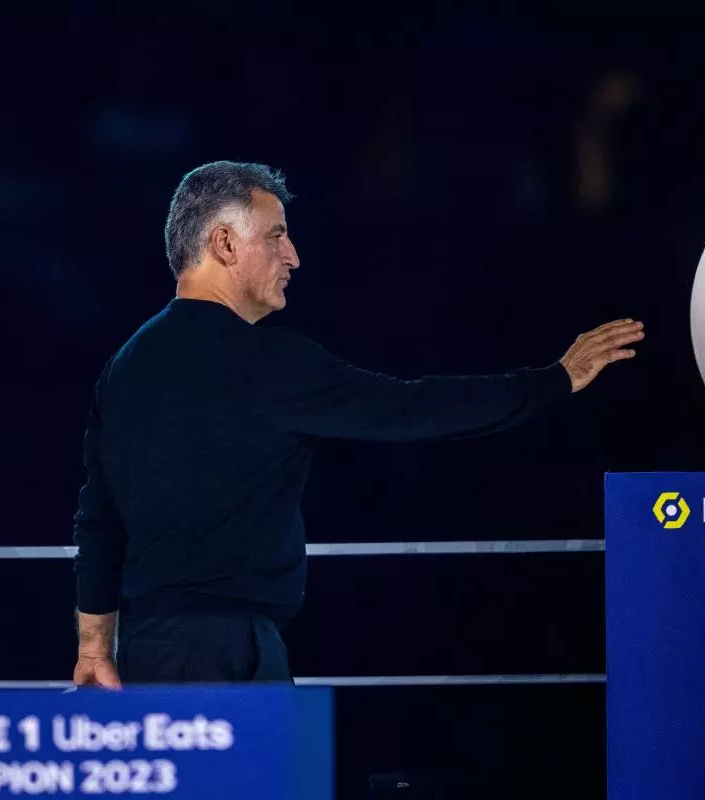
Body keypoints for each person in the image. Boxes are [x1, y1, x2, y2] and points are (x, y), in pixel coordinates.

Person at [71, 161, 644, 687]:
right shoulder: (273, 366)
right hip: (229, 656)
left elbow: (99, 518)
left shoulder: (124, 367)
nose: (293, 257)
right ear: (224, 243)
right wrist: (554, 380)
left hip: (143, 653)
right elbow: (414, 409)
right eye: (276, 235)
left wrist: (95, 649)